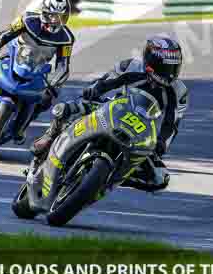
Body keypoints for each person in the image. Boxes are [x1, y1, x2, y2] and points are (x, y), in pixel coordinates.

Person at [31, 35, 188, 192]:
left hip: (141, 129)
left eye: (174, 68)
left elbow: (172, 124)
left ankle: (110, 180)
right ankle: (49, 137)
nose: (170, 73)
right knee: (68, 109)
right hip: (113, 109)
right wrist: (94, 90)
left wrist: (160, 145)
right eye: (165, 68)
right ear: (151, 61)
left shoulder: (179, 91)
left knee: (161, 179)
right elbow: (106, 81)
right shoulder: (130, 67)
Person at [0, 0, 74, 144]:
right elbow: (4, 35)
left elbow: (63, 65)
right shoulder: (27, 20)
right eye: (52, 15)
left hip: (37, 70)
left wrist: (54, 83)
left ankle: (21, 127)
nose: (56, 20)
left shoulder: (66, 38)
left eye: (61, 16)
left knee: (46, 100)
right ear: (44, 13)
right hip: (14, 59)